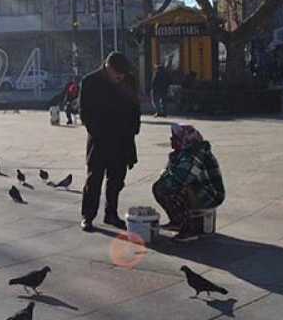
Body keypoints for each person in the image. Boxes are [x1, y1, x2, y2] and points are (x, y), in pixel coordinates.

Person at [78, 52, 141, 232]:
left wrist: (133, 130)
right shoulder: (90, 81)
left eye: (122, 75)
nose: (120, 78)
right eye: (117, 74)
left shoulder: (129, 81)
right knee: (94, 179)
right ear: (107, 67)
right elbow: (85, 113)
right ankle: (87, 216)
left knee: (117, 179)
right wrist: (98, 132)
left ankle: (111, 214)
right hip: (99, 139)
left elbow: (135, 107)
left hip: (122, 139)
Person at [152, 124, 225, 242]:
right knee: (160, 187)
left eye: (174, 137)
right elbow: (165, 176)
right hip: (199, 189)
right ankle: (178, 222)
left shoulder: (196, 153)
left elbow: (182, 178)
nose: (171, 140)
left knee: (178, 188)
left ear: (184, 139)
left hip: (212, 195)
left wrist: (165, 181)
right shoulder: (182, 153)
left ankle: (190, 230)